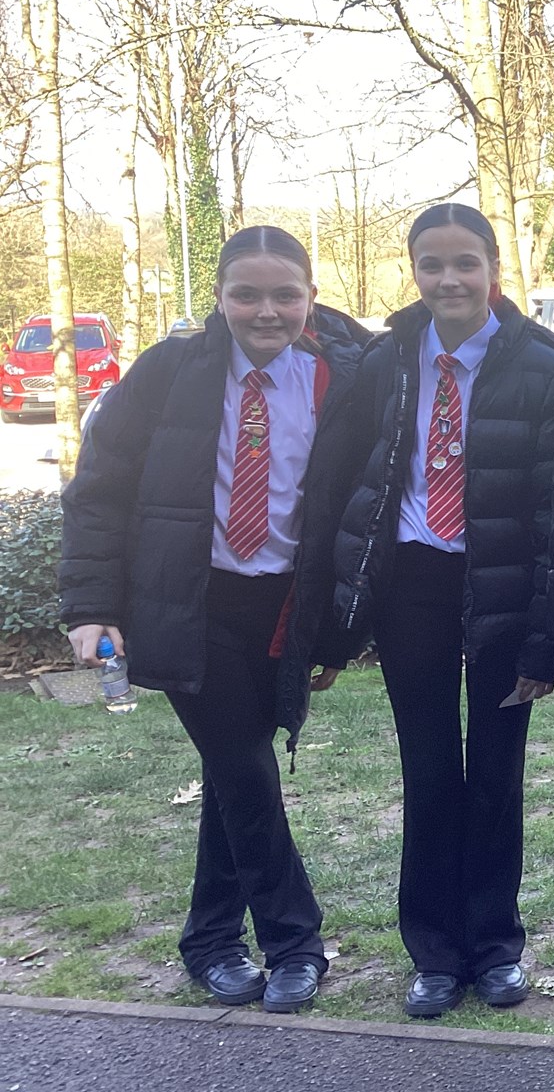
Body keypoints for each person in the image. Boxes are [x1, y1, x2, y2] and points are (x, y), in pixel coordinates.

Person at [58, 227, 370, 1013]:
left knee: (234, 775)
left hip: (285, 611)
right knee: (244, 769)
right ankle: (295, 943)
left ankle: (209, 941)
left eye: (285, 295)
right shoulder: (169, 371)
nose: (267, 311)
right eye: (246, 294)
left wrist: (339, 634)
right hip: (190, 603)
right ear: (220, 298)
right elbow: (99, 490)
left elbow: (356, 512)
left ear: (310, 296)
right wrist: (92, 606)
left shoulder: (347, 377)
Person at [325, 201, 554, 1018]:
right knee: (429, 771)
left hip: (503, 588)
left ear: (492, 269)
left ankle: (496, 948)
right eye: (431, 264)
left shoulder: (547, 365)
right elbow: (348, 479)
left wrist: (546, 637)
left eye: (465, 262)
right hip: (413, 585)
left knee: (497, 775)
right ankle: (434, 954)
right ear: (414, 271)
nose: (449, 279)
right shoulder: (387, 359)